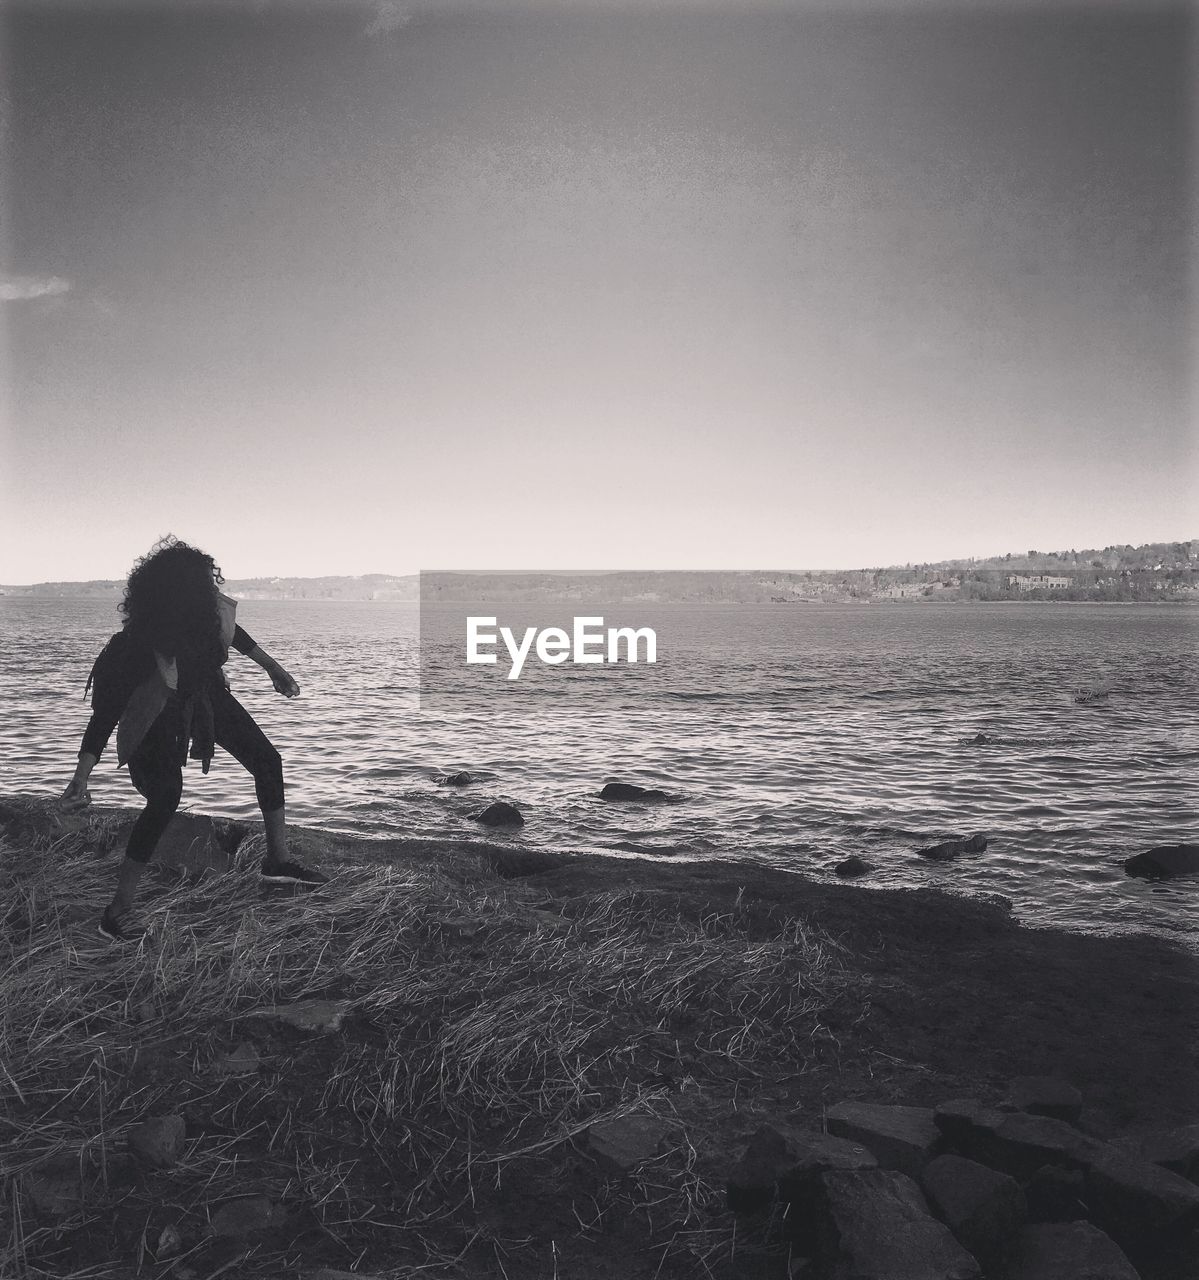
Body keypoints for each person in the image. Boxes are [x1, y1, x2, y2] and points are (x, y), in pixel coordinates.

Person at [60, 536, 327, 942]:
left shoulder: (204, 619)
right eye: (202, 586)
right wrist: (82, 775)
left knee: (268, 762)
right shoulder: (131, 648)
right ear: (174, 595)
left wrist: (273, 668)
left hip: (202, 697)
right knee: (166, 796)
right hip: (155, 715)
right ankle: (117, 912)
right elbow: (106, 715)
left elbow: (233, 634)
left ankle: (277, 862)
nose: (211, 592)